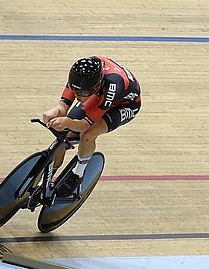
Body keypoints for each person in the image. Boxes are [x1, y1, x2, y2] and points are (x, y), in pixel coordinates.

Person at [42, 56, 141, 196]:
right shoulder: (80, 76)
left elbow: (83, 126)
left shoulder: (113, 85)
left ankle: (78, 173)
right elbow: (63, 106)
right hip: (99, 94)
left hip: (124, 104)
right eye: (74, 91)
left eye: (82, 94)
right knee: (65, 134)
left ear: (96, 85)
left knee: (88, 134)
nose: (77, 97)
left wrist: (66, 122)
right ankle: (48, 175)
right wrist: (56, 111)